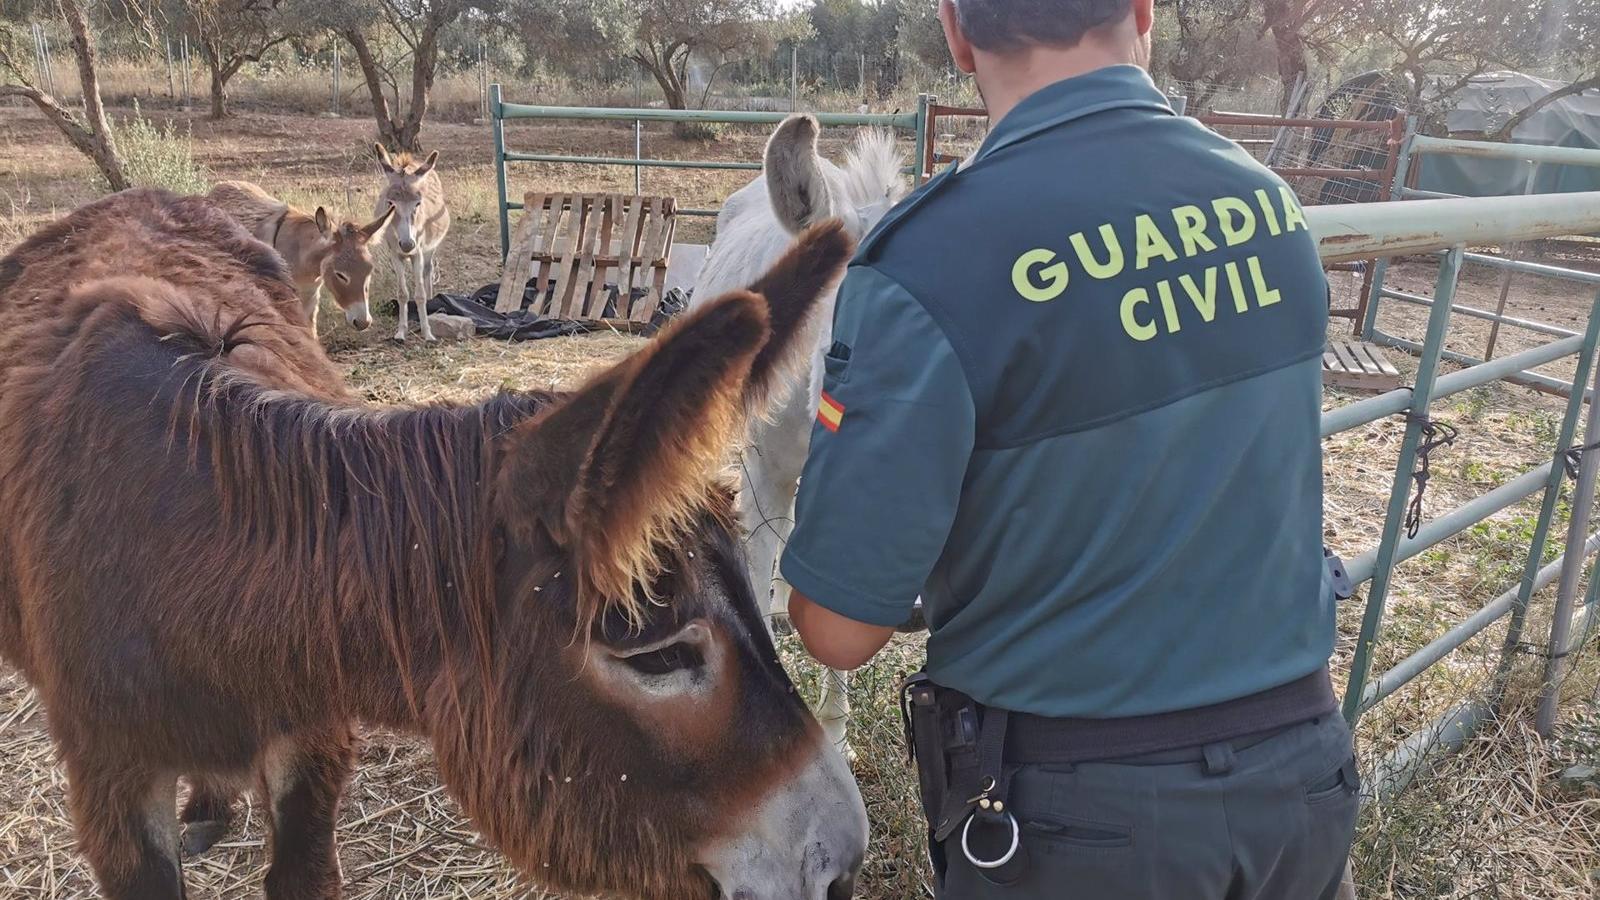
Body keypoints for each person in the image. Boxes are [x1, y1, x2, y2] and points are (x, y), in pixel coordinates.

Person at [778, 0, 1358, 897]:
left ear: (955, 32)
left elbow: (838, 629)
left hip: (1079, 825)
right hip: (1304, 781)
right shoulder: (1268, 207)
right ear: (1142, 11)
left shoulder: (928, 262)